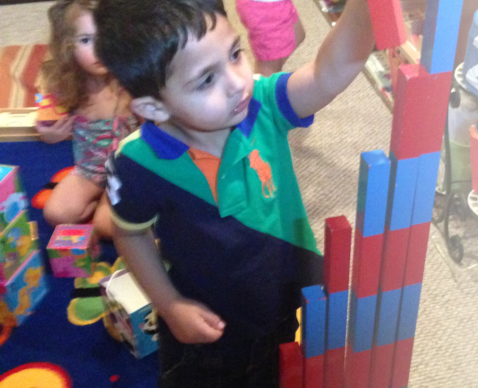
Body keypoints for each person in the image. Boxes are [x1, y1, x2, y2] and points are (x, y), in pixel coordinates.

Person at [94, 0, 374, 386]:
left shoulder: (262, 102)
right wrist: (170, 305)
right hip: (207, 320)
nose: (238, 82)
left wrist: (367, 8)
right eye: (206, 80)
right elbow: (128, 232)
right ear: (152, 107)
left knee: (283, 366)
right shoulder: (134, 164)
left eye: (235, 53)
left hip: (283, 286)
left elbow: (330, 71)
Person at [36, 0, 138, 240]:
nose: (99, 50)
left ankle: (102, 213)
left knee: (106, 225)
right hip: (89, 172)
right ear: (68, 47)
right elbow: (47, 115)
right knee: (55, 213)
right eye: (86, 40)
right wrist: (49, 135)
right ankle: (96, 207)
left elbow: (153, 130)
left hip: (127, 171)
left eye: (105, 38)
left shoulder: (131, 80)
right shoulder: (68, 85)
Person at [235, 0, 305, 76]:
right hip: (265, 8)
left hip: (273, 5)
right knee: (269, 68)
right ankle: (263, 85)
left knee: (297, 34)